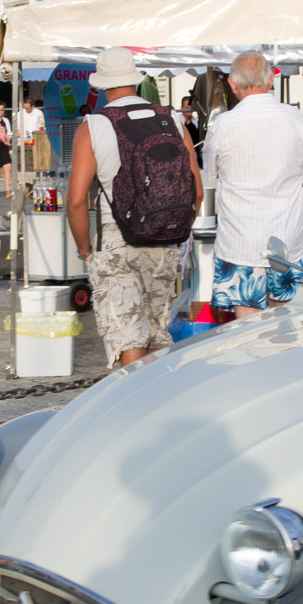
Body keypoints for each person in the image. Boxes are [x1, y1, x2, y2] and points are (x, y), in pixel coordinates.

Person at [67, 46, 202, 367]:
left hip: (116, 242)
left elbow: (75, 201)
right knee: (156, 333)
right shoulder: (171, 118)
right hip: (164, 239)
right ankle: (155, 405)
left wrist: (85, 249)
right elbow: (195, 190)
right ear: (135, 80)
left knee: (128, 335)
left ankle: (132, 410)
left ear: (100, 84)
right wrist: (176, 231)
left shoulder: (93, 126)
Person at [203, 50, 303, 317]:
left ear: (232, 83)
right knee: (286, 324)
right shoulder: (295, 119)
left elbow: (211, 175)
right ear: (271, 80)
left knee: (245, 329)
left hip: (240, 239)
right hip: (286, 236)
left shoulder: (223, 124)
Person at [21, 94, 51, 173]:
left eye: (28, 108)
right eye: (25, 108)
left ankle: (38, 170)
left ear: (33, 106)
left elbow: (41, 125)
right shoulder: (20, 113)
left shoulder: (39, 113)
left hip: (36, 137)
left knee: (37, 154)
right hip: (25, 137)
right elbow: (18, 127)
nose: (26, 110)